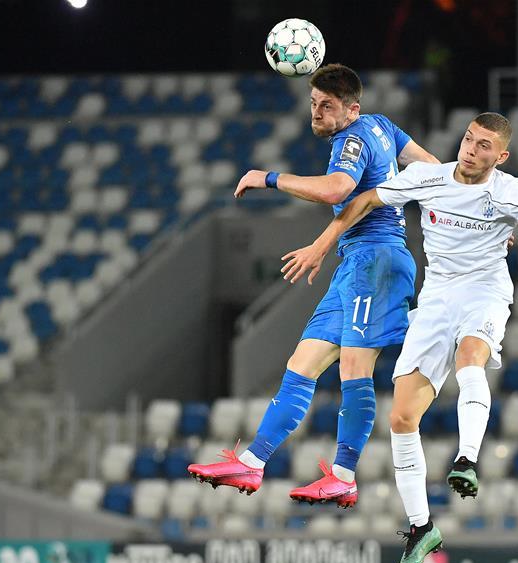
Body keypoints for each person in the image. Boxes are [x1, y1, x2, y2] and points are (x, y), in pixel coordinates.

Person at [281, 112, 518, 563]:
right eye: (469, 139)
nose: (472, 150)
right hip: (436, 295)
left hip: (485, 290)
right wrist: (325, 241)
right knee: (401, 416)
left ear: (501, 156)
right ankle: (421, 528)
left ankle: (466, 459)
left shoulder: (510, 191)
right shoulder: (427, 178)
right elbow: (368, 199)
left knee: (470, 358)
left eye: (484, 147)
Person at [188, 64, 439, 508]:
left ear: (351, 109)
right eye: (313, 104)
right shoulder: (382, 126)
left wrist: (270, 178)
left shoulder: (354, 139)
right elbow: (434, 167)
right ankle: (253, 461)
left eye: (327, 106)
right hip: (355, 261)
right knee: (302, 363)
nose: (317, 113)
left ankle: (343, 474)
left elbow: (336, 189)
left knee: (354, 369)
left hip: (377, 262)